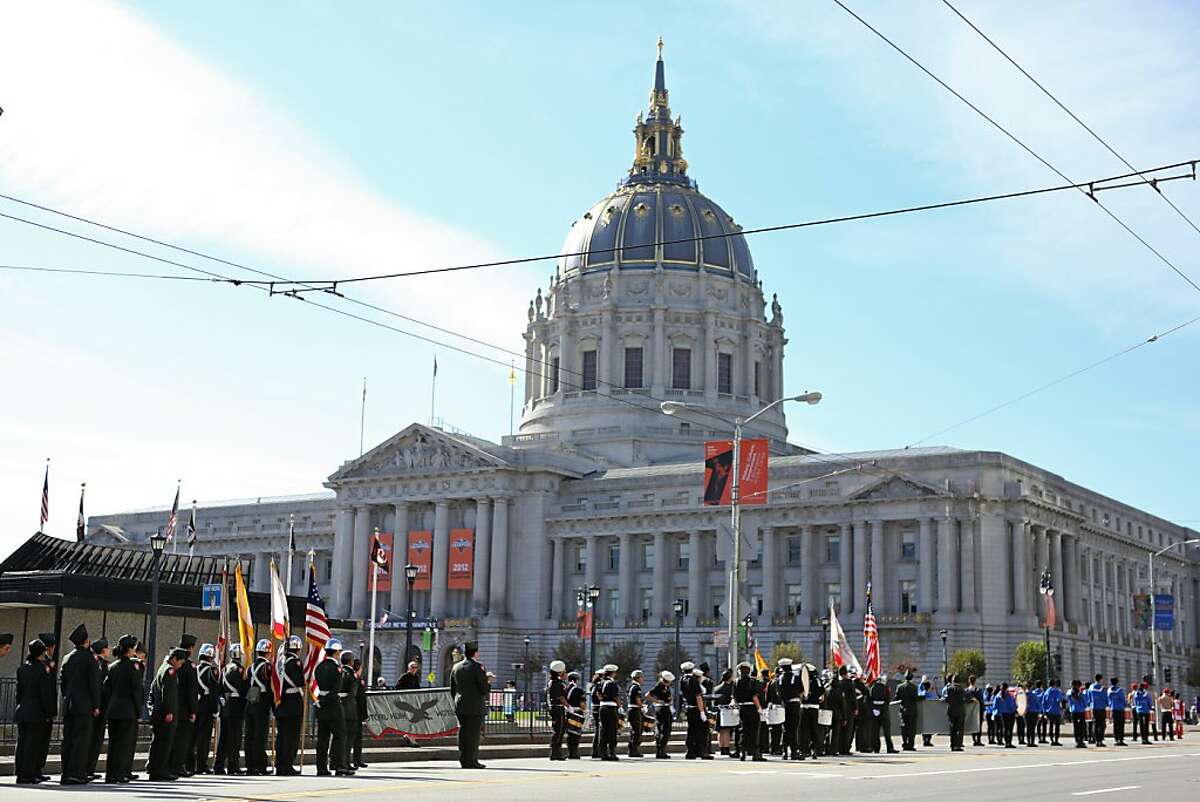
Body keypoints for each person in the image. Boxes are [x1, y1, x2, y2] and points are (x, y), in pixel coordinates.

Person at [59, 623, 100, 785]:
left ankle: (66, 772)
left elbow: (63, 683)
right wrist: (96, 705)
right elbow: (94, 683)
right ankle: (76, 773)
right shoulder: (89, 658)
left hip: (69, 704)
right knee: (81, 740)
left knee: (68, 739)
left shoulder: (67, 657)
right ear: (86, 641)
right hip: (84, 705)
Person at [15, 638, 55, 784]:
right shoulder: (42, 669)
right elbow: (45, 694)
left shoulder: (23, 668)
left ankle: (20, 773)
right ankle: (28, 774)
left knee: (22, 743)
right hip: (37, 712)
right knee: (33, 745)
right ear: (42, 652)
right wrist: (49, 712)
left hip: (23, 710)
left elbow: (19, 693)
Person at [103, 634, 141, 783]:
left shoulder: (112, 666)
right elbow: (136, 691)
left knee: (113, 743)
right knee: (124, 744)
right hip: (128, 710)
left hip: (113, 710)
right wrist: (138, 711)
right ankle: (119, 774)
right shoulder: (133, 667)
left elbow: (106, 689)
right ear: (129, 650)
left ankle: (110, 774)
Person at [449, 641, 490, 769]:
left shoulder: (456, 667)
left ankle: (463, 759)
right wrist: (488, 682)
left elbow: (453, 688)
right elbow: (484, 688)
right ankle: (472, 760)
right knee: (473, 734)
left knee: (463, 733)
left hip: (460, 704)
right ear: (475, 653)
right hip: (475, 706)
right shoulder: (478, 667)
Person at [147, 648, 186, 781]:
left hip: (158, 713)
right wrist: (169, 711)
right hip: (166, 714)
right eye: (180, 662)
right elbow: (168, 694)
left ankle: (153, 768)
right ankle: (161, 770)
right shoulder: (170, 671)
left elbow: (152, 690)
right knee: (164, 743)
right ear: (174, 659)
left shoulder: (162, 668)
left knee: (157, 742)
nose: (180, 665)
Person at [169, 634, 199, 777]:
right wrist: (193, 710)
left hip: (173, 706)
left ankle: (170, 765)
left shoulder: (171, 662)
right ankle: (178, 766)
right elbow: (192, 691)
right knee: (183, 740)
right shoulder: (189, 666)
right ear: (191, 648)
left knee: (173, 739)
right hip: (185, 709)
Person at [273, 636, 305, 775]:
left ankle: (280, 764)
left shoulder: (279, 662)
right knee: (291, 737)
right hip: (292, 703)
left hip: (281, 702)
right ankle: (287, 765)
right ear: (298, 649)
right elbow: (299, 682)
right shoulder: (295, 663)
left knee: (281, 736)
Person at [217, 643, 248, 775]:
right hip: (236, 706)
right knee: (234, 738)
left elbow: (219, 688)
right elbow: (243, 689)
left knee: (223, 738)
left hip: (225, 707)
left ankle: (219, 765)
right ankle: (233, 766)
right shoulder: (239, 670)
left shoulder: (224, 668)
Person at [243, 639, 273, 775]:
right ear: (268, 653)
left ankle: (250, 764)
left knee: (249, 735)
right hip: (262, 701)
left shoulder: (251, 667)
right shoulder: (267, 667)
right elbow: (271, 687)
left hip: (251, 699)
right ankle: (259, 765)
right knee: (260, 736)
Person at [84, 637, 111, 782]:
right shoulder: (100, 664)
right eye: (107, 648)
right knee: (94, 738)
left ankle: (90, 768)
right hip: (99, 706)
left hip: (99, 706)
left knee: (96, 739)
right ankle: (88, 768)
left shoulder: (101, 663)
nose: (109, 650)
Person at [193, 643, 220, 774]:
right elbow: (214, 691)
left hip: (195, 706)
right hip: (207, 706)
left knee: (194, 736)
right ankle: (201, 765)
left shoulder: (195, 669)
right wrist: (215, 709)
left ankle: (190, 764)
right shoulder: (212, 671)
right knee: (204, 737)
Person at [732, 662, 765, 761]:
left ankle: (743, 752)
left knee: (743, 731)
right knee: (754, 731)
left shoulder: (736, 682)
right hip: (752, 708)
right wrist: (759, 708)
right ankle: (756, 753)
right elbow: (754, 696)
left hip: (742, 708)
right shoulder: (753, 681)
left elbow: (734, 697)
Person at [796, 663, 824, 760]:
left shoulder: (802, 681)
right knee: (814, 730)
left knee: (803, 730)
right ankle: (815, 750)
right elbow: (822, 694)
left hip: (804, 707)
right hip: (814, 708)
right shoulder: (817, 680)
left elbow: (799, 693)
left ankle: (803, 750)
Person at [867, 673, 898, 753]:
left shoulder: (872, 688)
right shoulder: (886, 688)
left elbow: (869, 700)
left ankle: (875, 748)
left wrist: (874, 709)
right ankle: (890, 748)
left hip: (875, 711)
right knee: (887, 731)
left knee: (875, 732)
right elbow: (888, 700)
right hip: (884, 711)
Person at [345, 656, 367, 769]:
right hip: (354, 711)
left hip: (357, 711)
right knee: (351, 737)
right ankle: (348, 761)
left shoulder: (358, 679)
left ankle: (357, 760)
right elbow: (359, 698)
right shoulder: (355, 679)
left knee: (357, 738)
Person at [777, 659, 800, 759]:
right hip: (794, 704)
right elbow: (802, 690)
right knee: (794, 729)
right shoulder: (795, 677)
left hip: (784, 705)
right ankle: (794, 751)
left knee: (785, 729)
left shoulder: (779, 679)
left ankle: (785, 751)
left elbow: (778, 692)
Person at [597, 664, 620, 761]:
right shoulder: (611, 683)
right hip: (611, 707)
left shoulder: (601, 682)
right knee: (612, 730)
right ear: (613, 673)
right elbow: (615, 696)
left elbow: (598, 694)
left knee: (604, 730)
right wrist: (619, 705)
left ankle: (603, 753)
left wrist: (603, 699)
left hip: (602, 707)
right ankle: (612, 753)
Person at [546, 660, 568, 761]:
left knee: (559, 730)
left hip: (555, 707)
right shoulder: (557, 683)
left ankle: (556, 751)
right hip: (558, 708)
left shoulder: (553, 682)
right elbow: (561, 698)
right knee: (559, 730)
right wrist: (569, 707)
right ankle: (555, 752)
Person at [649, 671, 674, 759]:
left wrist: (670, 701)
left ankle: (661, 750)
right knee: (664, 729)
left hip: (665, 707)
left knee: (664, 729)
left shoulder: (665, 686)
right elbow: (648, 695)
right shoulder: (659, 685)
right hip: (662, 708)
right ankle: (660, 750)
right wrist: (657, 701)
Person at [893, 670, 919, 751]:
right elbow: (916, 698)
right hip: (912, 710)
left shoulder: (900, 686)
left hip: (903, 709)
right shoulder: (914, 687)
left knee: (904, 728)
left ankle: (904, 743)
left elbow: (896, 697)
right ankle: (910, 745)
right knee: (912, 728)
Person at [566, 671, 588, 759]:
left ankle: (570, 751)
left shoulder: (566, 688)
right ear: (577, 680)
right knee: (576, 733)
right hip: (577, 712)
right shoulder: (578, 690)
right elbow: (582, 703)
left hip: (568, 712)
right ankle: (574, 752)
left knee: (570, 733)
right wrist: (585, 711)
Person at [713, 668, 735, 756]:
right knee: (726, 731)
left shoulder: (717, 688)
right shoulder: (731, 688)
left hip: (719, 710)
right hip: (727, 711)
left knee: (720, 731)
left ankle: (722, 748)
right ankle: (726, 749)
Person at [944, 673, 966, 752]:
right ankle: (958, 745)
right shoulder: (962, 689)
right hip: (960, 711)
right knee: (960, 729)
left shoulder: (949, 688)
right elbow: (966, 699)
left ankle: (952, 745)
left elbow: (946, 699)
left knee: (952, 728)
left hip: (951, 711)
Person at [627, 669, 646, 757]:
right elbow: (637, 699)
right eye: (642, 677)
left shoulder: (631, 686)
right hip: (635, 709)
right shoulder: (636, 687)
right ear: (638, 678)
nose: (643, 679)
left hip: (631, 709)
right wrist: (642, 706)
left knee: (633, 730)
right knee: (637, 730)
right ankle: (634, 749)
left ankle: (632, 748)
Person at [1088, 674, 1108, 746]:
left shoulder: (1091, 687)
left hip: (1094, 707)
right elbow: (1106, 698)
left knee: (1095, 724)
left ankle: (1096, 740)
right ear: (1100, 679)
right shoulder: (1103, 688)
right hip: (1101, 708)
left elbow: (1089, 698)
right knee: (1102, 725)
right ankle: (1100, 740)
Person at [995, 682, 1016, 748]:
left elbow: (995, 705)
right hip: (1010, 714)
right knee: (1010, 729)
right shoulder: (1009, 695)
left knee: (1005, 728)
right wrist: (1015, 710)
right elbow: (1012, 705)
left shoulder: (998, 695)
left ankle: (1006, 742)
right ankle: (1009, 742)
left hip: (1002, 714)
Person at [1068, 680, 1088, 748]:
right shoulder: (1080, 693)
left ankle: (1077, 740)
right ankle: (1081, 741)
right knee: (1081, 727)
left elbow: (1068, 701)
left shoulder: (1069, 693)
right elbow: (1085, 701)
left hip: (1073, 711)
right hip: (1080, 711)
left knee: (1075, 726)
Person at [1107, 677, 1127, 746]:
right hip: (1120, 709)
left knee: (1115, 725)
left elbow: (1108, 699)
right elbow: (1123, 700)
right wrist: (1124, 705)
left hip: (1113, 708)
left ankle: (1116, 738)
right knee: (1121, 725)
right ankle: (1120, 739)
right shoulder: (1120, 690)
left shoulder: (1109, 690)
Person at [1044, 679, 1064, 746]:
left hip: (1049, 711)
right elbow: (1059, 700)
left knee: (1051, 726)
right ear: (1054, 684)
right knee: (1057, 726)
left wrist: (1044, 711)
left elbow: (1043, 702)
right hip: (1056, 711)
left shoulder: (1046, 692)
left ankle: (1051, 740)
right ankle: (1056, 740)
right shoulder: (1057, 691)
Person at [1024, 681, 1043, 747]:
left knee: (1028, 727)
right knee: (1032, 728)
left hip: (1026, 712)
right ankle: (1032, 742)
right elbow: (1038, 704)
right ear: (1031, 686)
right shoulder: (1033, 695)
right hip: (1033, 712)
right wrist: (1039, 712)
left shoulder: (1024, 694)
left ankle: (1028, 742)